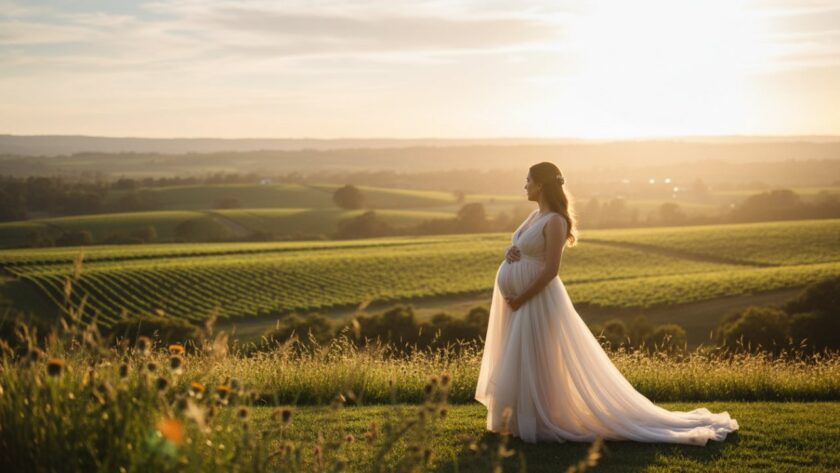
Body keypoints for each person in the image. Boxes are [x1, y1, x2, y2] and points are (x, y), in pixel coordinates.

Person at [474, 162, 739, 446]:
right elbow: (523, 247)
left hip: (535, 300)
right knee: (521, 357)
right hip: (518, 302)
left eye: (528, 180)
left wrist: (521, 298)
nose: (525, 185)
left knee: (537, 358)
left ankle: (538, 420)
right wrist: (511, 251)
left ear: (540, 185)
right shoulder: (534, 216)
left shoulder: (555, 221)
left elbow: (551, 270)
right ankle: (517, 420)